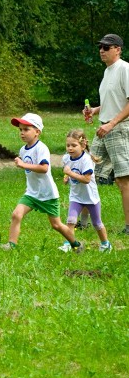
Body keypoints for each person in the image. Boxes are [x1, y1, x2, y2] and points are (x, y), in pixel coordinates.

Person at [0, 113, 84, 252]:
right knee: (16, 214)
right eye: (20, 130)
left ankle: (76, 244)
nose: (22, 133)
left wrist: (23, 165)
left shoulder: (41, 148)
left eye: (26, 129)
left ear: (37, 132)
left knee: (56, 225)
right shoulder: (23, 149)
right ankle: (11, 245)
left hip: (47, 194)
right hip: (32, 193)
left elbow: (44, 168)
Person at [86, 34, 129, 235]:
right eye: (100, 47)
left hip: (119, 129)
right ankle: (83, 222)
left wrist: (111, 123)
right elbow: (115, 101)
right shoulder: (108, 71)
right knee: (86, 173)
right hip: (104, 128)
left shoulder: (124, 69)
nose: (102, 50)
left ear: (118, 49)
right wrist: (95, 110)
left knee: (123, 179)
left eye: (106, 47)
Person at [61, 128, 111, 252]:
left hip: (90, 198)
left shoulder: (86, 160)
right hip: (76, 197)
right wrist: (66, 177)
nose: (70, 148)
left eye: (74, 145)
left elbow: (86, 179)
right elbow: (68, 169)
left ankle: (105, 244)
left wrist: (70, 174)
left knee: (97, 224)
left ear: (83, 146)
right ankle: (68, 243)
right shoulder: (66, 158)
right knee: (71, 220)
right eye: (68, 145)